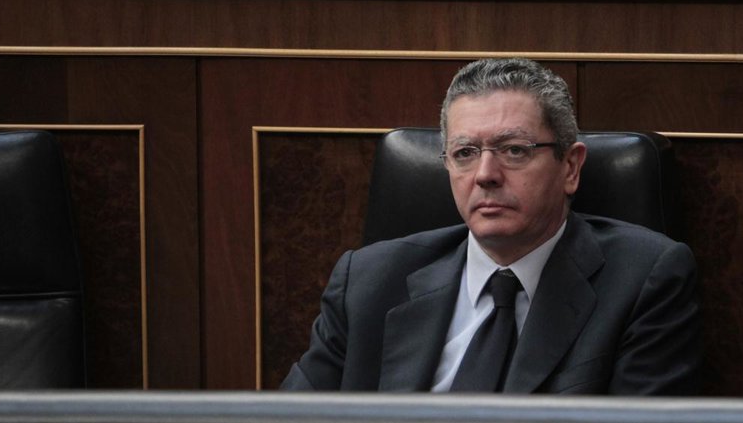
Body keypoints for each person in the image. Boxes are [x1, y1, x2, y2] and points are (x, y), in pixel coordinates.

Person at [280, 58, 701, 395]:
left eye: (514, 150)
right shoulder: (368, 282)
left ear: (571, 168)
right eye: (465, 153)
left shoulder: (645, 281)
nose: (485, 175)